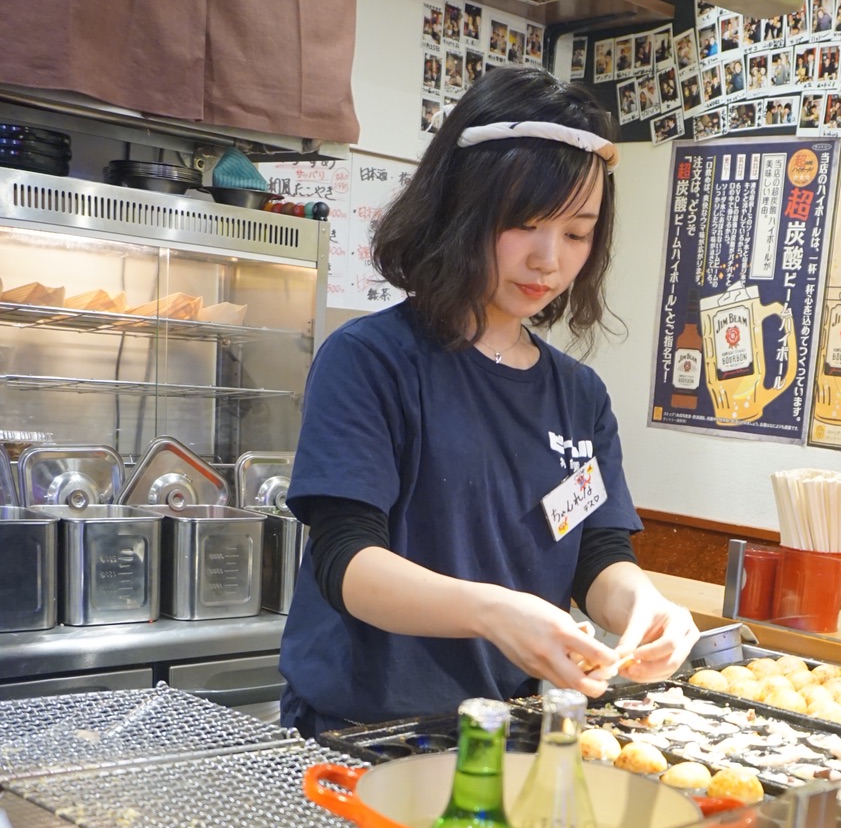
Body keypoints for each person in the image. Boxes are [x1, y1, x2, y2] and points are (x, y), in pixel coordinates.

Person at [280, 68, 696, 734]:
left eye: (577, 233)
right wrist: (493, 611)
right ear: (462, 208)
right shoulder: (371, 361)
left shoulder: (578, 396)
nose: (548, 261)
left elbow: (595, 551)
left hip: (509, 726)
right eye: (523, 224)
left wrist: (643, 604)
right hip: (364, 731)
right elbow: (347, 562)